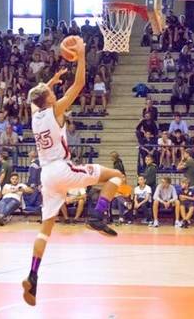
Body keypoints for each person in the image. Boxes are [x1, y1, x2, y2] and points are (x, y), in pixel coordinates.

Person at [22, 36, 125, 307]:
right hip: (60, 168)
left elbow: (34, 95)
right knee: (116, 176)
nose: (55, 93)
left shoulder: (35, 114)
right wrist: (80, 56)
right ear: (48, 99)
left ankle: (32, 276)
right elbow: (79, 85)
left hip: (46, 176)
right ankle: (97, 216)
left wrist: (52, 80)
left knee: (45, 230)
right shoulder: (55, 109)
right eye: (52, 92)